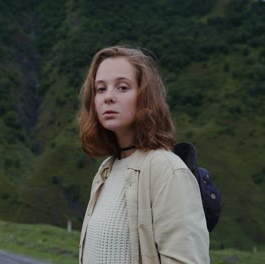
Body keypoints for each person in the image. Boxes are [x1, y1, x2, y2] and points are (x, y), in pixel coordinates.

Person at [77, 45, 210, 264]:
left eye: (122, 87)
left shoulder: (167, 169)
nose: (108, 97)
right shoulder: (106, 171)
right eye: (100, 89)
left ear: (145, 95)